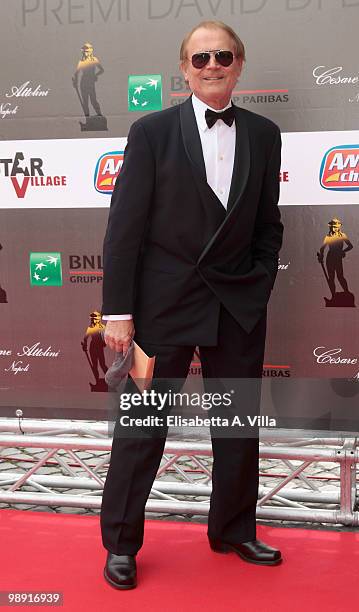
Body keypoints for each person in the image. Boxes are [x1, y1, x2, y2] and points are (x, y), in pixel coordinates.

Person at [100, 20, 284, 590]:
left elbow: (268, 224)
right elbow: (124, 228)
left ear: (239, 64)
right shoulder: (151, 131)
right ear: (184, 68)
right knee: (142, 425)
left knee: (235, 426)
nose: (212, 65)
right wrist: (118, 312)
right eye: (200, 57)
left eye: (222, 55)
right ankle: (122, 542)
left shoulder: (264, 133)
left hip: (236, 306)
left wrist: (256, 283)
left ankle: (233, 529)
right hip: (161, 308)